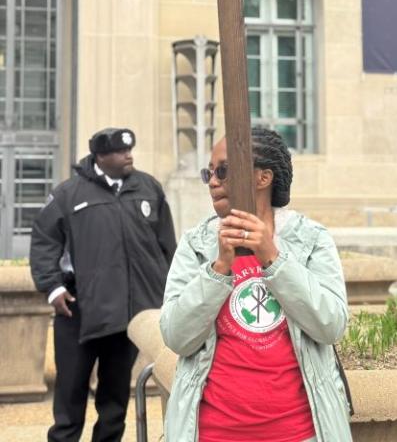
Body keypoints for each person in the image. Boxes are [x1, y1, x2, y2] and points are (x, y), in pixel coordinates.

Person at [160, 127, 352, 442]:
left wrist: (272, 256)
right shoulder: (197, 245)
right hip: (213, 434)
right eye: (208, 172)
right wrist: (219, 268)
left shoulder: (311, 240)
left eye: (222, 171)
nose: (212, 181)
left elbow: (330, 326)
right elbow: (176, 336)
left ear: (263, 178)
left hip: (298, 433)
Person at [30, 127, 176, 442]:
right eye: (120, 151)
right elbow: (44, 242)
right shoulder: (69, 194)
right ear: (100, 156)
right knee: (69, 399)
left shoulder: (148, 188)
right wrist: (52, 288)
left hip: (129, 314)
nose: (129, 156)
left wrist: (167, 291)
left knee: (115, 402)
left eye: (130, 150)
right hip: (78, 311)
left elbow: (167, 247)